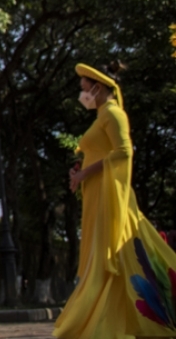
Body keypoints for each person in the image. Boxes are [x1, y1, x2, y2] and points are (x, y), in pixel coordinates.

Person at [53, 63, 176, 339]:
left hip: (111, 196)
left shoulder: (114, 114)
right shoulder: (100, 118)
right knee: (121, 250)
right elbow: (99, 151)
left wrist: (86, 171)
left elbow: (123, 151)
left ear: (99, 88)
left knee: (123, 249)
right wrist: (79, 171)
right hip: (97, 195)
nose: (82, 95)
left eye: (85, 89)